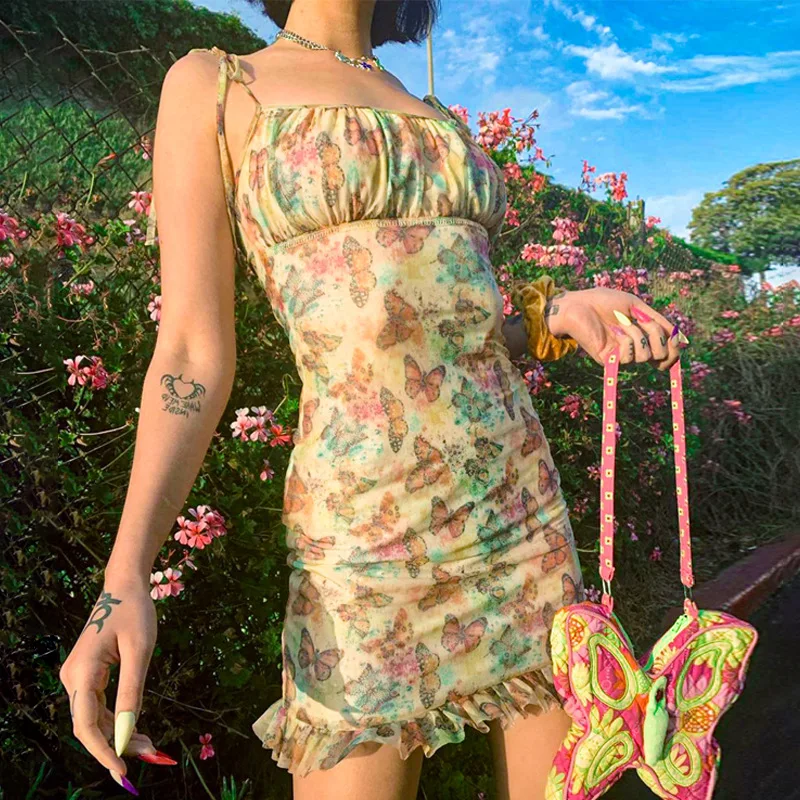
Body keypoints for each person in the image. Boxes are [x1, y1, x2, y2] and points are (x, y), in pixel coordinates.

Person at [58, 1, 683, 798]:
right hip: (362, 546)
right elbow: (189, 353)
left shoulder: (434, 112)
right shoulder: (216, 85)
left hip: (521, 523)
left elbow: (445, 331)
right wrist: (125, 576)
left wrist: (553, 313)